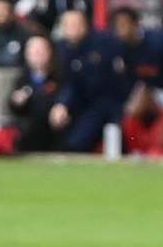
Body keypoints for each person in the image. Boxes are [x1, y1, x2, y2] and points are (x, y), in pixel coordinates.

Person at [109, 6, 163, 153]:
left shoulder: (159, 42)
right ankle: (136, 150)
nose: (120, 30)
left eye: (124, 25)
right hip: (150, 87)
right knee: (130, 113)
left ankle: (160, 153)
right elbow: (131, 76)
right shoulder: (121, 47)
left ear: (135, 24)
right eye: (117, 26)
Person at [48, 9, 128, 152]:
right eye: (69, 25)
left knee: (113, 141)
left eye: (77, 24)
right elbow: (69, 82)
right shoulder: (61, 49)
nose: (73, 29)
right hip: (81, 104)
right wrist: (62, 104)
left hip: (108, 102)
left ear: (85, 25)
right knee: (71, 141)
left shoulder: (104, 42)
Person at [7, 34, 63, 151]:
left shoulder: (59, 76)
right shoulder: (22, 78)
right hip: (28, 132)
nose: (37, 54)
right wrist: (17, 101)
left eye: (41, 51)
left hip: (52, 131)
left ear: (50, 52)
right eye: (33, 51)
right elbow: (13, 107)